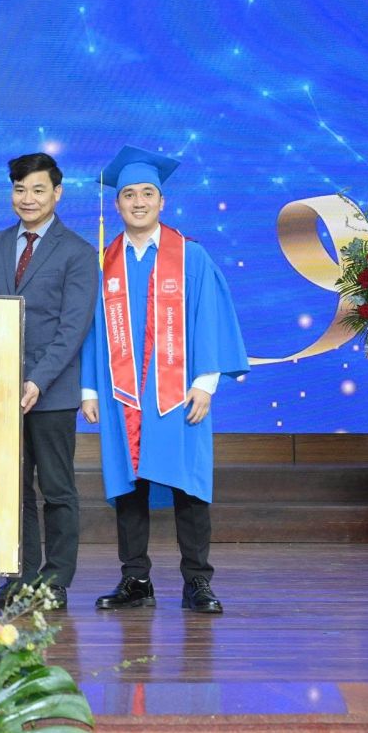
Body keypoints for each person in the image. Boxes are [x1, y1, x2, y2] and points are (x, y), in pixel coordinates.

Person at [80, 146, 249, 615]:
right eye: (129, 194)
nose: (138, 202)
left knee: (188, 485)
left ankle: (197, 581)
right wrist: (89, 388)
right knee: (128, 485)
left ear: (162, 201)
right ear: (117, 204)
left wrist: (206, 382)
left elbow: (209, 317)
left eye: (147, 193)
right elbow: (91, 327)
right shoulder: (104, 262)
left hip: (180, 393)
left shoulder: (190, 256)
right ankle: (135, 579)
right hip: (121, 393)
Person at [0, 152, 98, 610]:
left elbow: (73, 328)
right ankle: (19, 578)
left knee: (57, 489)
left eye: (38, 190)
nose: (28, 198)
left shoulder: (78, 252)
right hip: (1, 388)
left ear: (57, 194)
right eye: (20, 189)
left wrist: (38, 380)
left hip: (52, 391)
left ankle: (55, 581)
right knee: (14, 489)